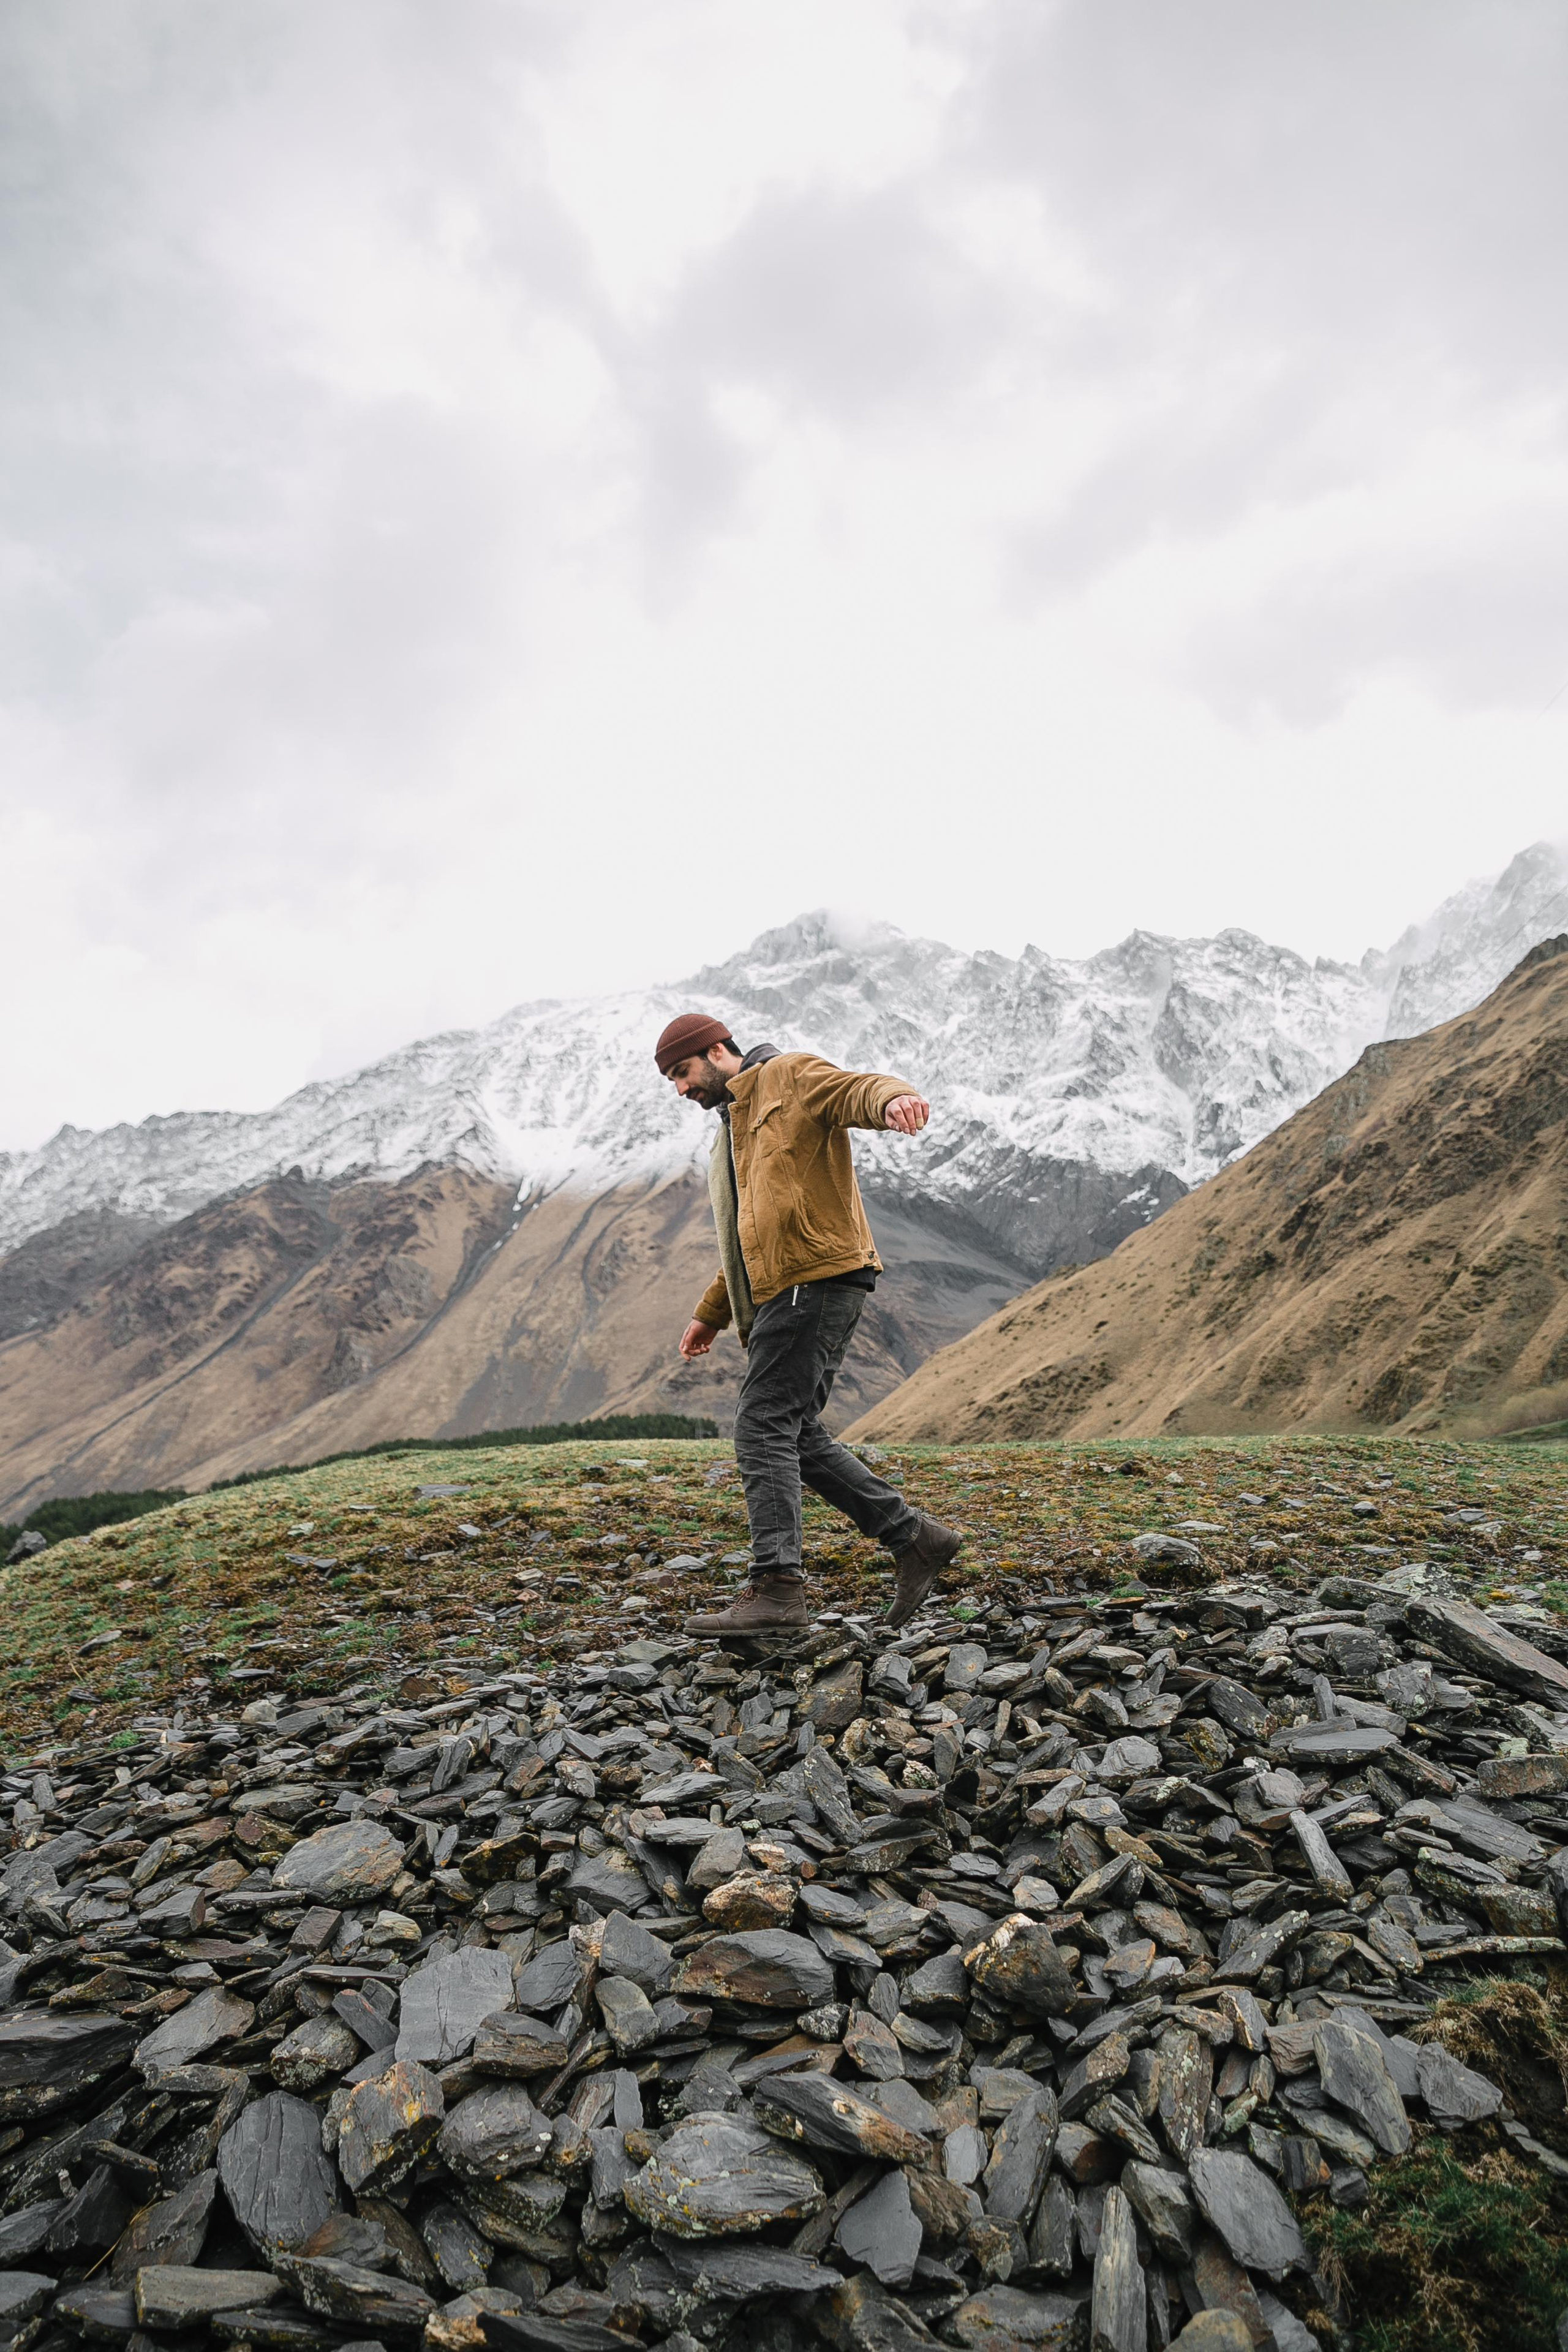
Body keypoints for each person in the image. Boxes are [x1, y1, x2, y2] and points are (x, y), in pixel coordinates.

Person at [654, 1011, 963, 1633]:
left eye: (683, 1072)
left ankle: (777, 1589)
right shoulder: (733, 1130)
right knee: (792, 1431)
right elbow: (751, 1235)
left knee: (761, 1422)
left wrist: (895, 1097)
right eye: (672, 1081)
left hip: (813, 1278)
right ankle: (915, 1539)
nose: (681, 1089)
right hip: (790, 1287)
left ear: (717, 1051)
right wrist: (711, 1313)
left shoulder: (787, 1075)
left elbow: (855, 1089)